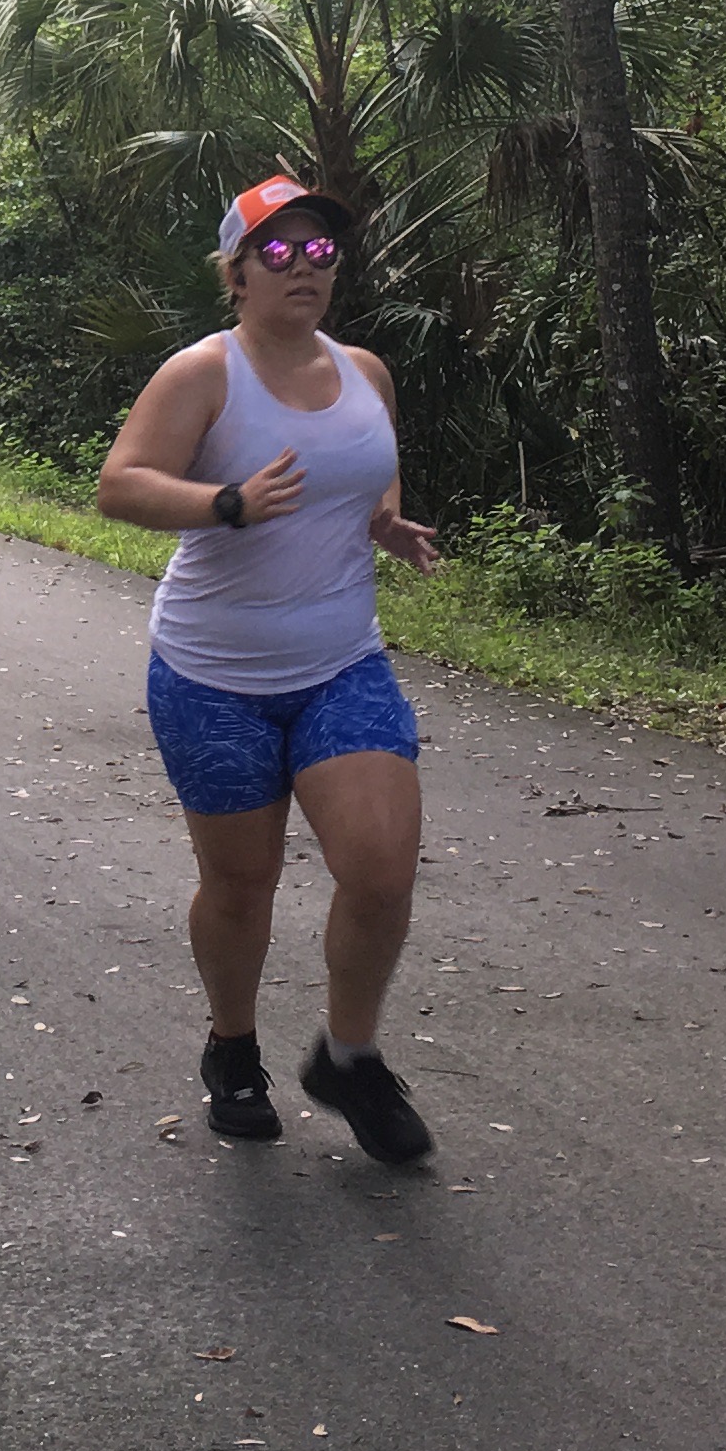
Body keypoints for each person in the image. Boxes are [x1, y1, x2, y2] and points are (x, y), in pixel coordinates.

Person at [97, 174, 444, 1164]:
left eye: (322, 251)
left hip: (341, 664)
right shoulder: (202, 375)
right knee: (242, 883)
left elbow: (368, 478)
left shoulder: (366, 373)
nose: (306, 268)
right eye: (280, 251)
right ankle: (233, 1048)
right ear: (238, 272)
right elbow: (120, 488)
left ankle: (350, 1055)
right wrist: (226, 504)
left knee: (380, 867)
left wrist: (386, 526)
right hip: (212, 673)